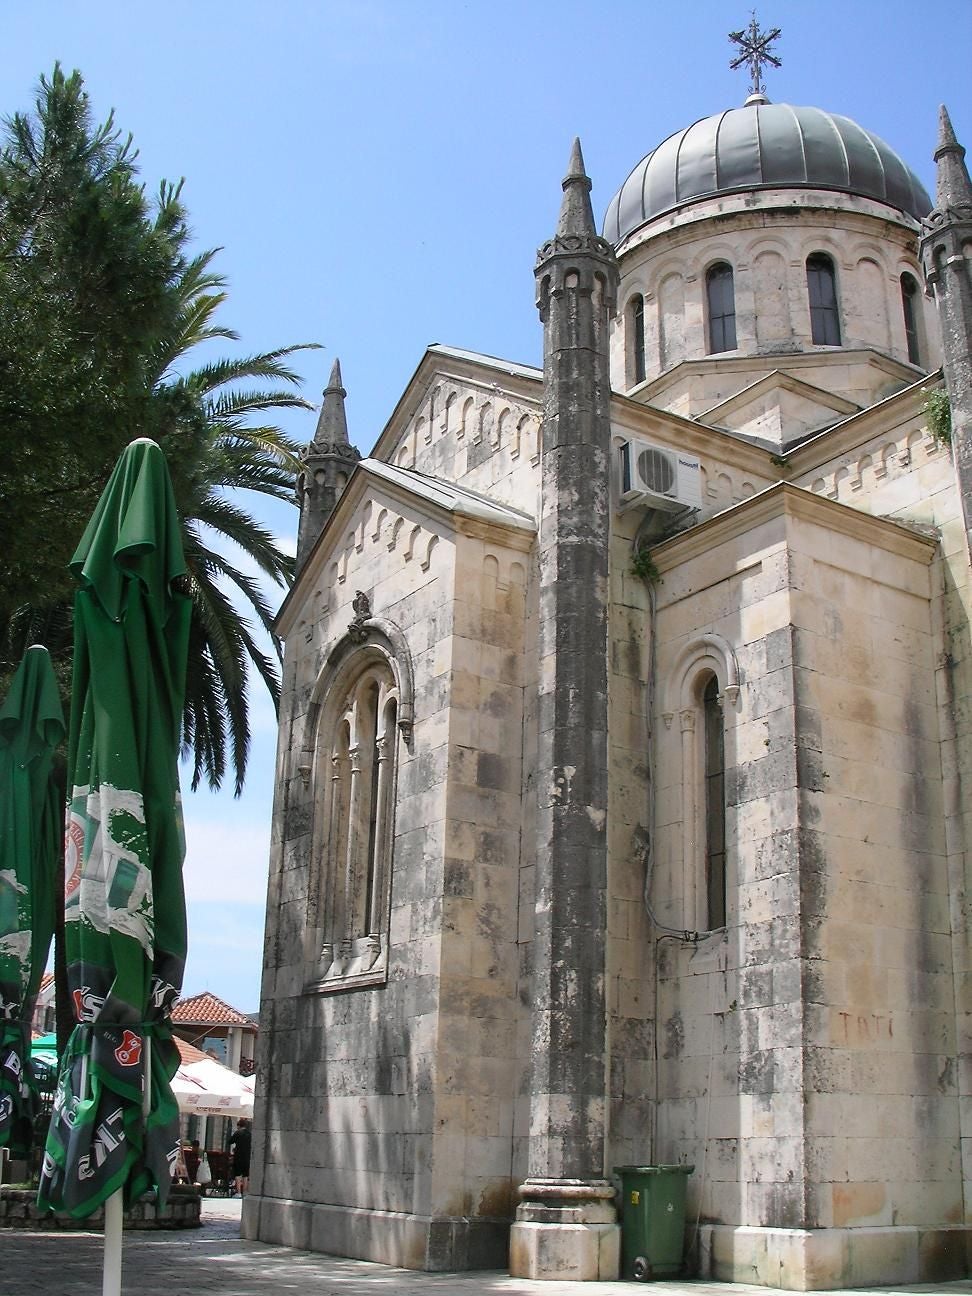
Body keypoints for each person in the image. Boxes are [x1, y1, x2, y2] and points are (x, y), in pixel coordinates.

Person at [229, 1117, 251, 1196]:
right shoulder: (249, 1134)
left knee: (237, 1174)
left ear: (239, 1126)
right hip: (247, 1157)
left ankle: (238, 1192)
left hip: (238, 1156)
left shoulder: (238, 1133)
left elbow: (230, 1141)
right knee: (245, 1175)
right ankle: (244, 1192)